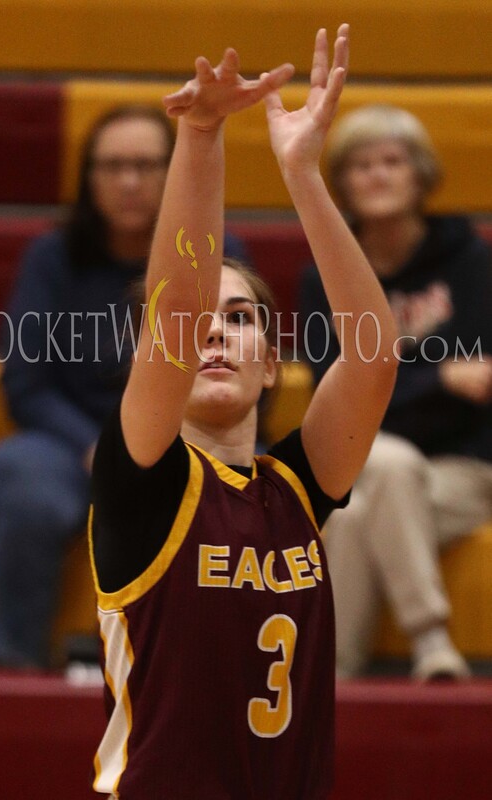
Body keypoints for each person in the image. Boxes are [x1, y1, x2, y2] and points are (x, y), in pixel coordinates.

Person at [89, 26, 398, 798]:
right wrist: (200, 133)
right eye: (205, 322)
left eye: (243, 319)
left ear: (270, 367)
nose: (216, 336)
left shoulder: (296, 487)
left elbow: (372, 355)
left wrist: (302, 173)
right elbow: (178, 311)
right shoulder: (144, 482)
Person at [0, 104, 246, 670]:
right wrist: (101, 446)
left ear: (174, 172)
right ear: (89, 178)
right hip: (74, 446)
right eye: (112, 166)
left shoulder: (218, 250)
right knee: (12, 477)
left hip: (189, 440)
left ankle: (229, 672)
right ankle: (3, 669)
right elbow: (25, 380)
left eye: (145, 165)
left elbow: (238, 365)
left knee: (256, 488)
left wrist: (158, 445)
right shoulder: (53, 256)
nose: (129, 182)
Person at [299, 104, 492, 680]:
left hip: (466, 465)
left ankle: (333, 675)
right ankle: (430, 642)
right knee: (384, 465)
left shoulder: (474, 261)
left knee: (358, 513)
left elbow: (481, 383)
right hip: (371, 459)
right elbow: (330, 389)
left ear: (420, 175)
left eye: (392, 161)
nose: (377, 175)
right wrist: (437, 379)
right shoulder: (324, 273)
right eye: (361, 165)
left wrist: (395, 387)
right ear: (343, 186)